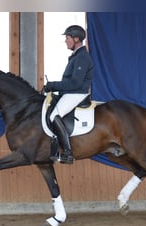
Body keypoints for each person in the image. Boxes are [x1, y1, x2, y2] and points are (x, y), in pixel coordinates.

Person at [44, 25, 94, 164]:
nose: (66, 41)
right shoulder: (76, 57)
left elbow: (74, 83)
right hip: (71, 93)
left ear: (76, 39)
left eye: (67, 38)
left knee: (54, 116)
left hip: (77, 93)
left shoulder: (82, 57)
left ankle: (67, 152)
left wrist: (53, 85)